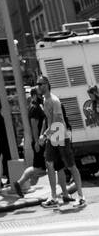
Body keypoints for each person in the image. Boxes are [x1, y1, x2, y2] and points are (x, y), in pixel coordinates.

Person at [38, 75, 86, 209]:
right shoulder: (44, 100)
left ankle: (81, 197)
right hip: (53, 136)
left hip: (61, 136)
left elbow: (58, 121)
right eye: (37, 84)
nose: (39, 86)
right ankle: (53, 197)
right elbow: (48, 120)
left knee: (70, 166)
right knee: (49, 165)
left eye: (41, 84)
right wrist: (45, 135)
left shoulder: (54, 100)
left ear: (47, 84)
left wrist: (45, 134)